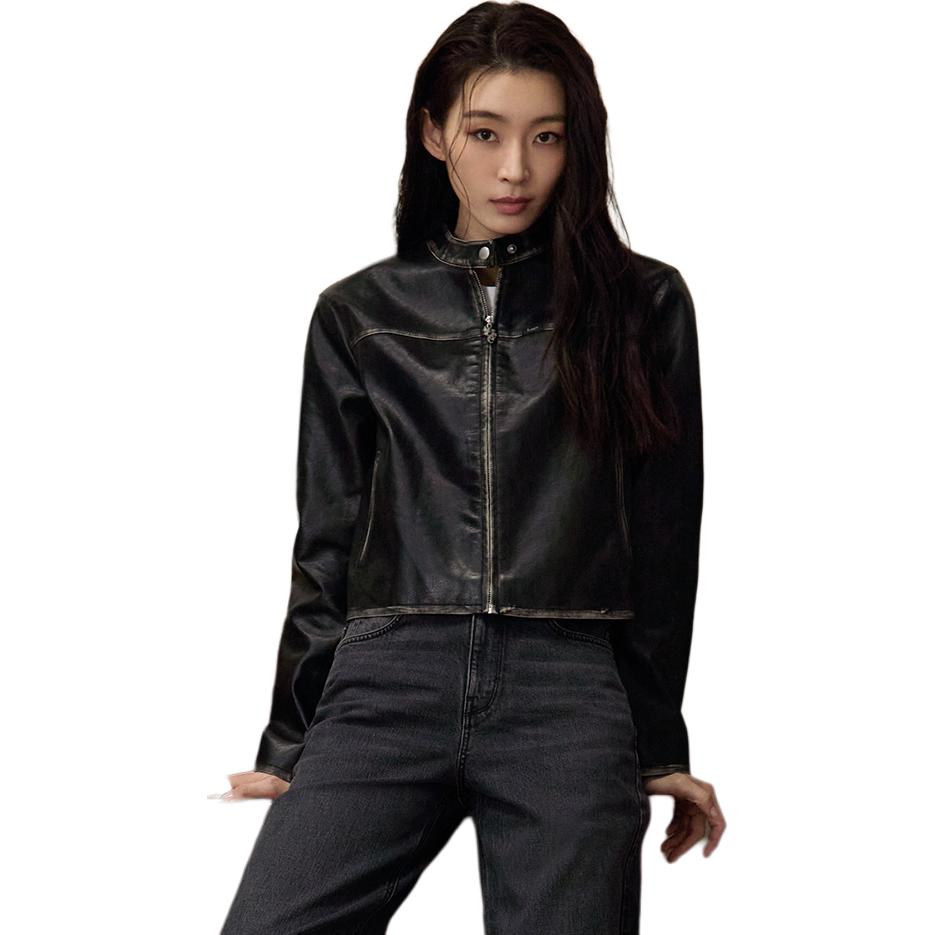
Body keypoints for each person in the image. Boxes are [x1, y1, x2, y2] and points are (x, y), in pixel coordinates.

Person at [214, 3, 725, 933]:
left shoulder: (643, 305)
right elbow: (327, 538)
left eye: (546, 136)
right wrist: (291, 739)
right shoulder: (359, 313)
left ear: (578, 144)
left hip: (567, 693)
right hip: (387, 679)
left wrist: (657, 742)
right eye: (485, 133)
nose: (514, 168)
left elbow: (662, 539)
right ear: (433, 133)